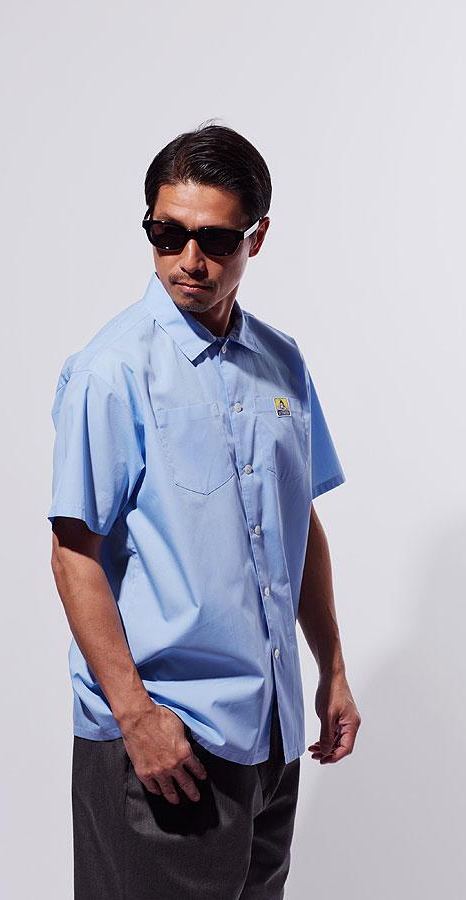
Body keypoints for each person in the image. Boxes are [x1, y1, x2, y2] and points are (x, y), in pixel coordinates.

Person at [48, 121, 361, 899]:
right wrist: (135, 717)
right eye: (167, 234)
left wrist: (331, 668)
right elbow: (75, 553)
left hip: (269, 739)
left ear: (258, 237)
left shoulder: (282, 361)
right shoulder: (111, 371)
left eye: (216, 239)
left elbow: (297, 523)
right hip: (165, 744)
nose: (188, 260)